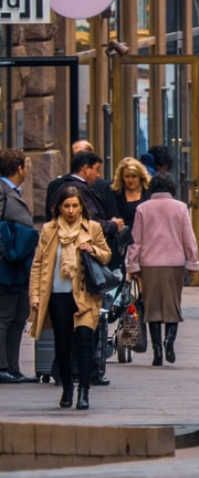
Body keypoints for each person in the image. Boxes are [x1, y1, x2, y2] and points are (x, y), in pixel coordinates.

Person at [29, 186, 111, 410]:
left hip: (85, 296)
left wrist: (92, 249)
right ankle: (67, 387)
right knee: (63, 346)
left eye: (75, 205)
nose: (71, 210)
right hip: (57, 295)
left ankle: (84, 391)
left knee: (85, 343)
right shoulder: (49, 230)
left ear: (81, 206)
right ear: (59, 208)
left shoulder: (92, 228)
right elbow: (38, 264)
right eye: (67, 206)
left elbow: (106, 255)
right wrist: (35, 295)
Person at [126, 176, 199, 367]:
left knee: (152, 308)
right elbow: (188, 238)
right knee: (172, 305)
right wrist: (193, 262)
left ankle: (157, 350)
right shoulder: (181, 208)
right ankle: (170, 341)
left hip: (149, 264)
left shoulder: (142, 208)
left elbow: (136, 240)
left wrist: (132, 265)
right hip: (174, 263)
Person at [0, 149, 36, 383]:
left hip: (19, 267)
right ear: (19, 168)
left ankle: (13, 366)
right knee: (5, 317)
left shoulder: (13, 192)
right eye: (26, 165)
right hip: (6, 268)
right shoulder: (3, 193)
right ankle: (3, 367)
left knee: (18, 317)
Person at [109, 157, 150, 236]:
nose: (130, 180)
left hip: (146, 235)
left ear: (140, 177)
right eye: (127, 176)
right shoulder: (116, 194)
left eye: (134, 176)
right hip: (124, 238)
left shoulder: (148, 193)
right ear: (122, 177)